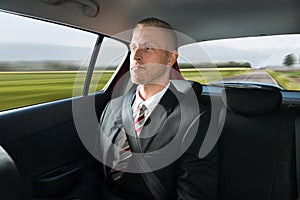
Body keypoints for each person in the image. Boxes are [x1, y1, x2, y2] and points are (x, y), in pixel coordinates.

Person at [67, 17, 217, 200]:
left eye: (147, 48)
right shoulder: (113, 107)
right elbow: (94, 166)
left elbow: (193, 195)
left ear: (170, 58)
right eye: (133, 48)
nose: (136, 56)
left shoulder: (197, 118)